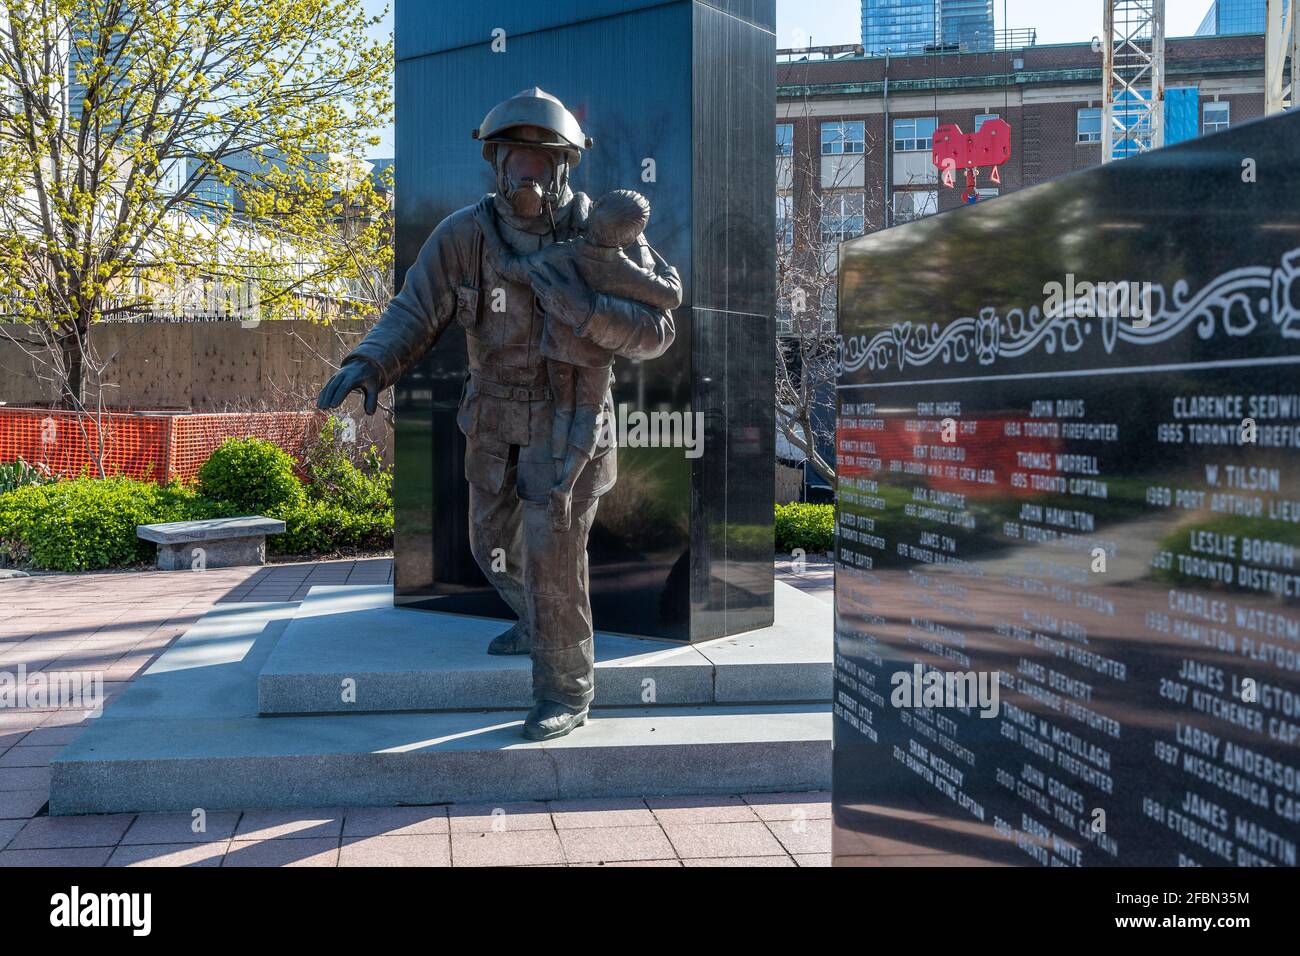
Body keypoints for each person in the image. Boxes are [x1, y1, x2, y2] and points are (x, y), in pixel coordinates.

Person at [316, 88, 678, 741]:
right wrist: (370, 363)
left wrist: (589, 314)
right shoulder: (463, 236)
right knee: (492, 546)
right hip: (495, 416)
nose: (527, 172)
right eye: (515, 157)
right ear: (495, 162)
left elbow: (658, 329)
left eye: (541, 157)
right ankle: (542, 619)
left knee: (552, 555)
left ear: (566, 162)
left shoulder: (603, 234)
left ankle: (564, 688)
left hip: (571, 417)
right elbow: (414, 312)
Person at [471, 188, 682, 532]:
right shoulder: (623, 270)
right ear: (627, 236)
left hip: (555, 351)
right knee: (590, 415)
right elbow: (671, 296)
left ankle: (556, 474)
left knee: (564, 411)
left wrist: (488, 227)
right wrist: (653, 256)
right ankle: (565, 487)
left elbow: (506, 266)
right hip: (594, 358)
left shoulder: (557, 255)